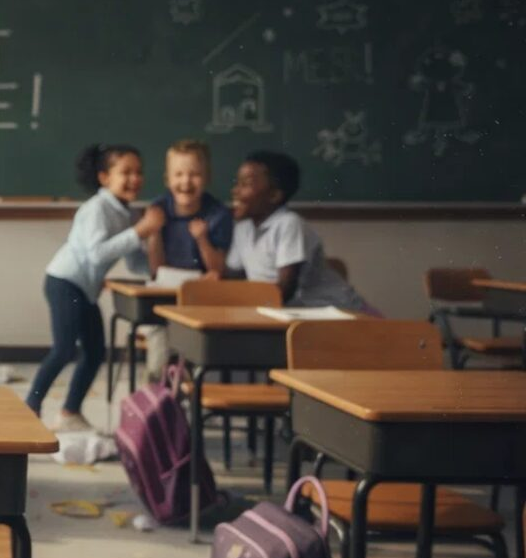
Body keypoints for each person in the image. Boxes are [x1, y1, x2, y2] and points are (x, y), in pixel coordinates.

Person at [27, 144, 165, 430]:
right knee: (64, 349)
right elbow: (97, 254)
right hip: (64, 282)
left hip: (84, 289)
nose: (135, 179)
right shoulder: (97, 208)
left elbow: (135, 263)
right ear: (104, 177)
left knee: (95, 352)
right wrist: (140, 230)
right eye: (126, 172)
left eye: (139, 172)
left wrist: (153, 241)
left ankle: (70, 413)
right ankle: (29, 409)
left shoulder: (127, 213)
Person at [225, 150, 375, 312]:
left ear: (274, 195)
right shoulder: (243, 229)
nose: (235, 191)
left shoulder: (289, 224)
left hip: (342, 312)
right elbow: (233, 276)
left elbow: (285, 290)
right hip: (292, 314)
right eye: (237, 183)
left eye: (245, 184)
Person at [142, 140, 234, 379]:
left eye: (194, 175)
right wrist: (154, 232)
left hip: (202, 298)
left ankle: (192, 385)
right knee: (160, 346)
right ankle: (158, 385)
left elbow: (217, 269)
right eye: (178, 174)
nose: (186, 182)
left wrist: (202, 239)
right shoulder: (158, 209)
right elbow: (155, 270)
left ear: (207, 177)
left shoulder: (218, 213)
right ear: (167, 179)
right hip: (165, 295)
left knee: (195, 351)